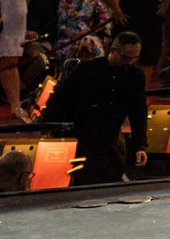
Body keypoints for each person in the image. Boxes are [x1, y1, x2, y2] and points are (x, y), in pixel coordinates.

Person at [44, 30, 149, 185]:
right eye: (126, 57)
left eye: (134, 58)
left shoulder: (135, 76)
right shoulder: (86, 70)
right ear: (113, 50)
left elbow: (138, 112)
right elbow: (59, 99)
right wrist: (53, 132)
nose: (129, 62)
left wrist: (140, 145)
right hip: (81, 137)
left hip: (110, 138)